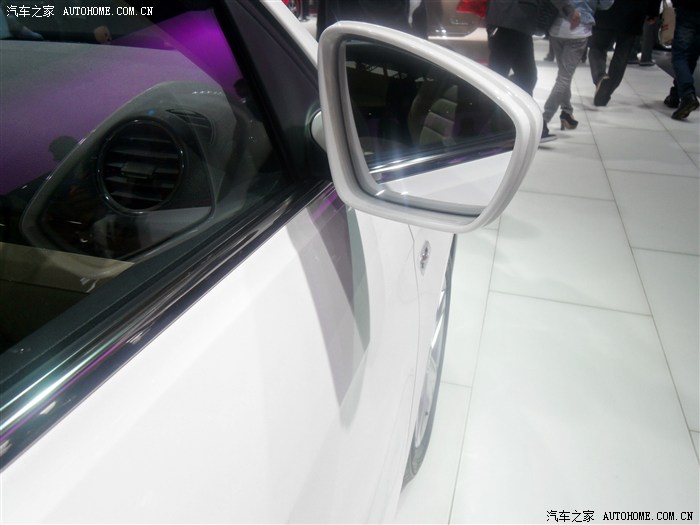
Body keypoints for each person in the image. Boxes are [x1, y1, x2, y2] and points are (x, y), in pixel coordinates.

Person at [485, 0, 580, 140]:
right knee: (504, 78)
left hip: (515, 21)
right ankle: (496, 128)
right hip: (511, 20)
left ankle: (515, 127)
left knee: (523, 77)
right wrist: (569, 10)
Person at [542, 0, 613, 132]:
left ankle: (566, 112)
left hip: (557, 27)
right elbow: (606, 4)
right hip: (578, 29)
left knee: (564, 75)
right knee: (564, 78)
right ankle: (544, 120)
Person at [588, 0, 662, 107]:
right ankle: (605, 91)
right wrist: (653, 11)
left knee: (597, 47)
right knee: (622, 52)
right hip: (634, 10)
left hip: (606, 7)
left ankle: (600, 78)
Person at [663, 0, 700, 120]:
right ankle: (675, 95)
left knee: (680, 55)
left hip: (688, 9)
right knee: (691, 56)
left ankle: (687, 95)